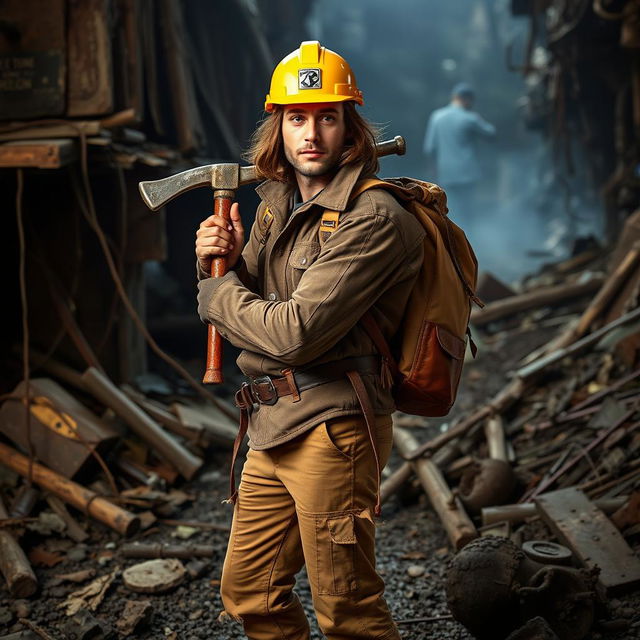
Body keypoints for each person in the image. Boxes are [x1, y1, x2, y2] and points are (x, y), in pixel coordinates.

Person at [195, 41, 425, 639]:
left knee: (349, 614)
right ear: (279, 124)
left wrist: (214, 296)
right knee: (252, 596)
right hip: (273, 424)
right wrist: (217, 265)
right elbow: (252, 301)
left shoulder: (373, 218)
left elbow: (293, 332)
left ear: (351, 126)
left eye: (328, 117)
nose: (312, 134)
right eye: (297, 118)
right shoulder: (278, 202)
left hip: (333, 427)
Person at [423, 82, 496, 236]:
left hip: (445, 173)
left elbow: (429, 149)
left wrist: (433, 172)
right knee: (468, 211)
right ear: (467, 99)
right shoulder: (469, 118)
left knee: (449, 210)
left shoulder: (436, 117)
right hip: (467, 172)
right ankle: (470, 243)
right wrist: (476, 117)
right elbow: (491, 133)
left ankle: (452, 243)